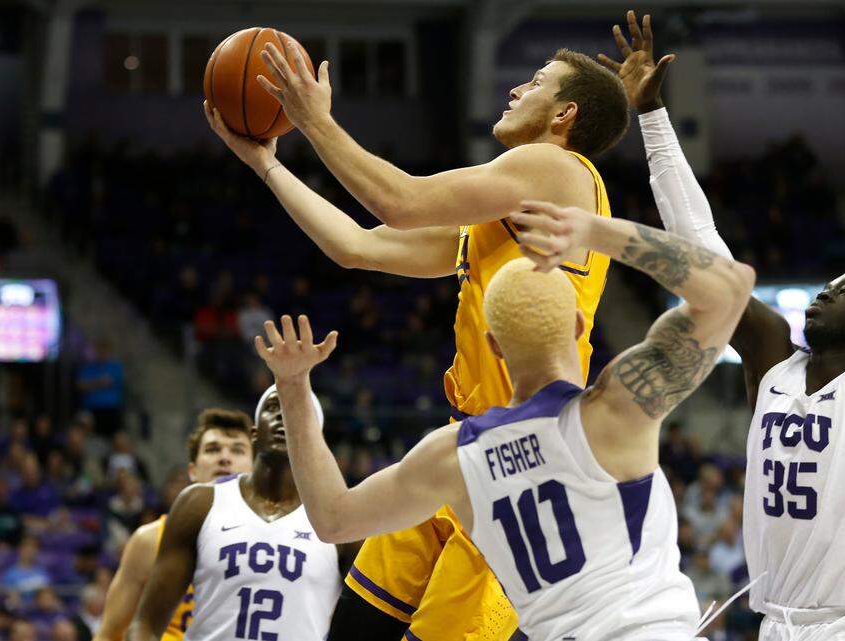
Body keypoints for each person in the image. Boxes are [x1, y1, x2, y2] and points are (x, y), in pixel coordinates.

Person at [205, 41, 629, 641]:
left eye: (535, 82)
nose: (516, 90)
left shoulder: (558, 169)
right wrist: (266, 163)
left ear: (564, 116)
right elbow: (360, 247)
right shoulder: (505, 218)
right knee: (355, 626)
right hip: (466, 447)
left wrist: (314, 120)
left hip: (526, 470)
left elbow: (401, 202)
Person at [256, 202, 754, 639]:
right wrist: (594, 231)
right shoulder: (618, 411)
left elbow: (332, 518)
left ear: (493, 345)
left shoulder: (453, 454)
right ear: (580, 326)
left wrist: (295, 387)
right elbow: (731, 287)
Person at [602, 10, 845, 640]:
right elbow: (699, 251)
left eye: (843, 292)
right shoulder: (772, 362)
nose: (821, 297)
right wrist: (651, 118)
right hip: (775, 623)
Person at [126, 394, 341, 641]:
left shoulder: (340, 521)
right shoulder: (199, 503)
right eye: (273, 407)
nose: (285, 414)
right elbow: (145, 624)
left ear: (319, 437)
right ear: (254, 432)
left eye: (300, 408)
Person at [95, 410, 255, 641]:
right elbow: (108, 634)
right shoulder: (150, 540)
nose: (224, 458)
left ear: (255, 470)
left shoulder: (272, 541)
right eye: (213, 449)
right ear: (192, 470)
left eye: (237, 450)